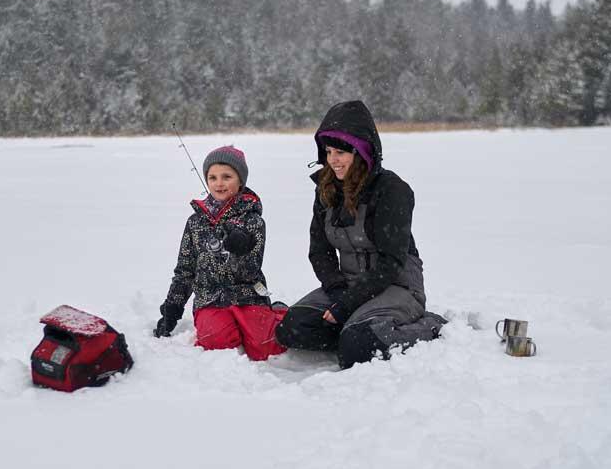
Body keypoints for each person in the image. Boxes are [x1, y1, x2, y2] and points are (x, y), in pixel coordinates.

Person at [275, 100, 446, 369]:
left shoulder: (391, 190)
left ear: (362, 151)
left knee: (358, 347)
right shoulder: (327, 189)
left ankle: (429, 326)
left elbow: (391, 262)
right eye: (329, 152)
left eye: (341, 152)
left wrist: (349, 304)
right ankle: (357, 331)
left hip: (396, 285)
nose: (333, 160)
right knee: (292, 329)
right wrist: (338, 291)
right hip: (348, 285)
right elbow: (319, 251)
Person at [154, 145, 286, 361]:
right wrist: (172, 309)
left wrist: (240, 250)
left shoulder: (253, 221)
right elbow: (185, 270)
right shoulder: (195, 222)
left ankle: (279, 312)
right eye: (213, 177)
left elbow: (250, 273)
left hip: (248, 295)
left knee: (266, 347)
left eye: (227, 176)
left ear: (240, 181)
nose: (219, 183)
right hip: (210, 299)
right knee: (218, 344)